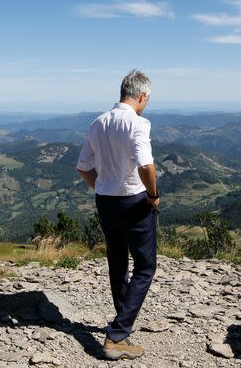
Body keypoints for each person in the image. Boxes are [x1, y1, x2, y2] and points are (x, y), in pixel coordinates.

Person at [75, 69, 159, 360]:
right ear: (142, 96)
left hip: (105, 201)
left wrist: (101, 185)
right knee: (146, 266)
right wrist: (152, 194)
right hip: (134, 200)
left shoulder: (97, 123)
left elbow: (83, 167)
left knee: (118, 263)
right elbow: (146, 166)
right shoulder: (138, 123)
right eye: (147, 99)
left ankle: (122, 325)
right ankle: (117, 334)